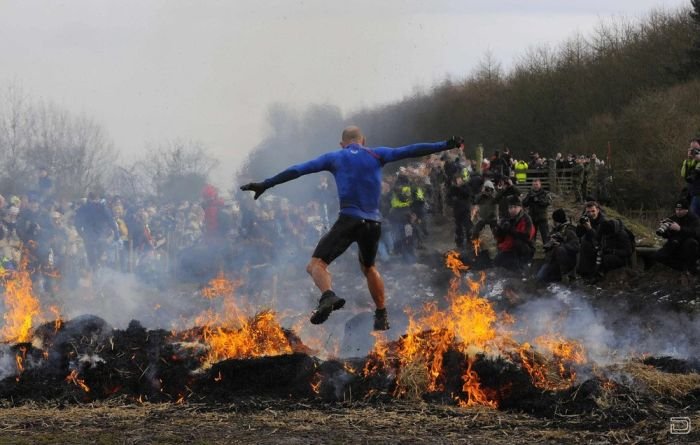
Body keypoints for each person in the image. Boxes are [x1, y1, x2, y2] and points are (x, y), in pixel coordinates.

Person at [240, 126, 463, 330]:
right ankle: (381, 314)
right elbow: (411, 150)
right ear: (363, 141)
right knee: (369, 268)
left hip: (349, 219)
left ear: (342, 143)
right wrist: (445, 145)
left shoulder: (335, 157)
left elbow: (298, 170)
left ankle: (328, 296)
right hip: (373, 223)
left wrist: (266, 184)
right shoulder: (377, 154)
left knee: (316, 264)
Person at [643, 199, 700, 274]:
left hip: (688, 245)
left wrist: (680, 229)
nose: (678, 212)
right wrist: (664, 230)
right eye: (676, 209)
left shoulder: (694, 218)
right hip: (674, 244)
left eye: (680, 210)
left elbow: (696, 233)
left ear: (686, 210)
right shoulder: (672, 218)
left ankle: (691, 267)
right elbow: (667, 236)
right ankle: (682, 267)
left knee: (691, 243)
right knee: (656, 257)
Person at [536, 209, 579, 283]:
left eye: (554, 221)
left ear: (556, 221)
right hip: (552, 260)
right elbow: (547, 246)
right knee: (540, 277)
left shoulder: (570, 230)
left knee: (560, 250)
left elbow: (576, 247)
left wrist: (561, 244)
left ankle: (564, 277)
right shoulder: (556, 230)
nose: (553, 222)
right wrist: (551, 241)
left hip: (566, 262)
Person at [494, 195, 535, 271]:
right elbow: (500, 238)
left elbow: (526, 236)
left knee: (518, 243)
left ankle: (523, 267)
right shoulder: (506, 219)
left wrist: (511, 230)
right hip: (509, 248)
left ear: (520, 208)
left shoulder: (526, 219)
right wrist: (499, 229)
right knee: (497, 261)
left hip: (524, 249)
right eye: (510, 208)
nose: (513, 209)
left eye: (515, 207)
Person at [522, 178, 552, 244]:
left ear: (540, 185)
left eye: (537, 184)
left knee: (545, 235)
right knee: (532, 235)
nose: (535, 186)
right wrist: (529, 199)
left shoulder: (545, 193)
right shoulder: (530, 193)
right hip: (532, 217)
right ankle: (531, 248)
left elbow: (547, 202)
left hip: (542, 217)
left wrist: (538, 200)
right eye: (534, 184)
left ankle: (548, 249)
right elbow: (524, 204)